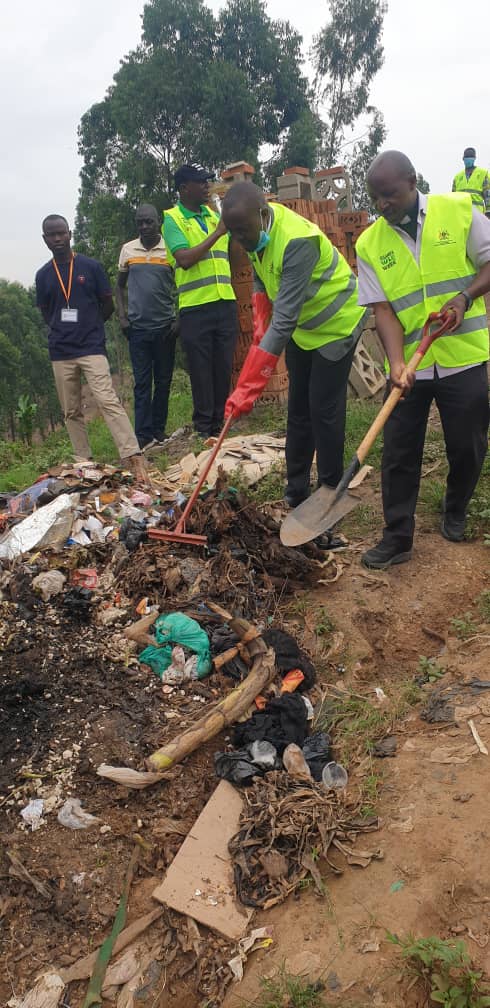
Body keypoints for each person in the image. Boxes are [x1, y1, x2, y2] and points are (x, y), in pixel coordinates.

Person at [356, 150, 490, 570]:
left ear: (413, 181)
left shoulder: (459, 210)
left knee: (467, 446)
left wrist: (466, 296)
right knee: (397, 450)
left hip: (462, 357)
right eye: (375, 197)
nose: (382, 205)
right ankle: (397, 536)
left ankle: (455, 507)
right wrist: (396, 364)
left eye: (390, 194)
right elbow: (383, 311)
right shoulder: (370, 243)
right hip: (410, 367)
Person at [221, 182, 367, 510]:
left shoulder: (297, 241)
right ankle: (296, 489)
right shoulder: (255, 232)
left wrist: (247, 387)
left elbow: (284, 320)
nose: (239, 241)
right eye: (233, 233)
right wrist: (260, 321)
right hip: (305, 329)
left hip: (337, 324)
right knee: (299, 410)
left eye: (242, 231)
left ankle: (330, 491)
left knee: (323, 410)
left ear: (263, 214)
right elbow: (261, 275)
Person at [35, 214, 148, 482]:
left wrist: (92, 325)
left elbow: (107, 303)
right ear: (45, 240)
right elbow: (46, 312)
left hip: (91, 347)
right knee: (71, 410)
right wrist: (63, 329)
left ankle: (132, 454)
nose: (58, 238)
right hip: (61, 352)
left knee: (107, 399)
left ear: (70, 234)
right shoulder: (43, 275)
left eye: (62, 233)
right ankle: (83, 462)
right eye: (52, 235)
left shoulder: (90, 266)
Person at [163, 163, 238, 437]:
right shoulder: (172, 219)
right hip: (195, 308)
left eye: (208, 181)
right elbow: (183, 259)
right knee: (201, 370)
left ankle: (220, 424)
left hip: (225, 302)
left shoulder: (211, 214)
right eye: (201, 182)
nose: (207, 186)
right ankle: (204, 428)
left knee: (222, 367)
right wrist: (217, 232)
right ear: (184, 188)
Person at [116, 204, 177, 451]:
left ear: (157, 223)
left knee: (163, 381)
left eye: (148, 222)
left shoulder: (171, 250)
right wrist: (122, 317)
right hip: (138, 329)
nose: (144, 227)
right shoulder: (128, 250)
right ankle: (142, 435)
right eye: (140, 222)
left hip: (165, 327)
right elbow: (119, 287)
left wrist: (178, 319)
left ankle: (158, 430)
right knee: (142, 383)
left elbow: (182, 284)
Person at [452, 147, 490, 216]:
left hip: (478, 215)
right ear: (463, 159)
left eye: (470, 157)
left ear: (475, 159)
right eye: (467, 157)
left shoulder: (483, 174)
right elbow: (453, 198)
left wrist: (488, 211)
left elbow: (488, 195)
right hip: (461, 215)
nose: (468, 160)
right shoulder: (457, 177)